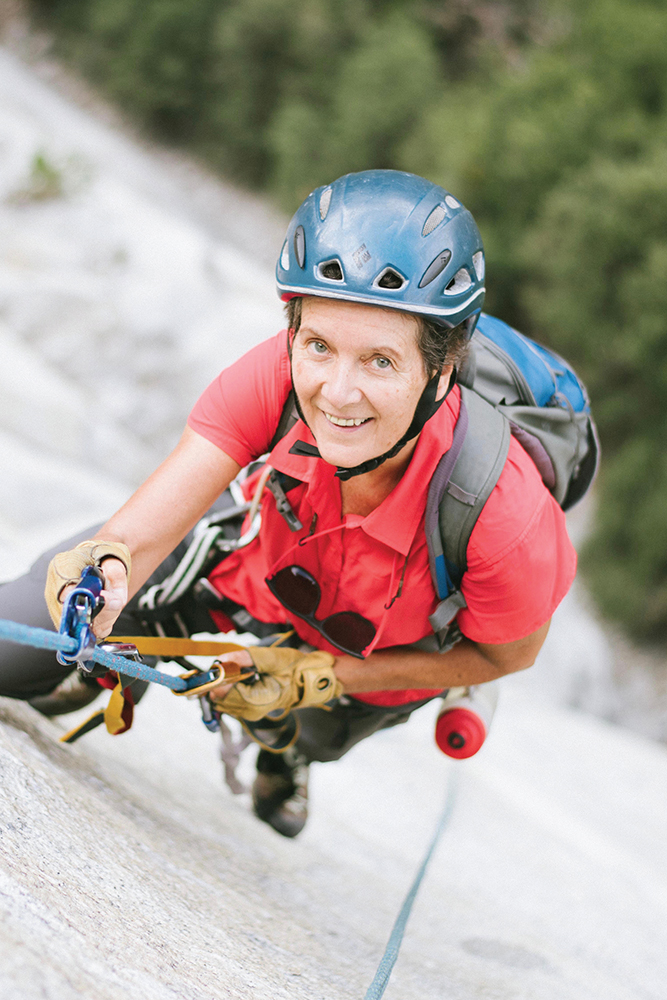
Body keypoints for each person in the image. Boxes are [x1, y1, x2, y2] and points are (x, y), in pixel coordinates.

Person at [0, 170, 576, 837]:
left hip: (374, 648)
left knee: (310, 729)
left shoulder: (501, 516)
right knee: (14, 643)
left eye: (380, 362)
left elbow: (504, 655)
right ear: (293, 333)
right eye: (318, 346)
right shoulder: (275, 376)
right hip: (256, 565)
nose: (336, 391)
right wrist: (104, 570)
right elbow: (146, 528)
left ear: (441, 371)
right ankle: (119, 667)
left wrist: (318, 676)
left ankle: (288, 751)